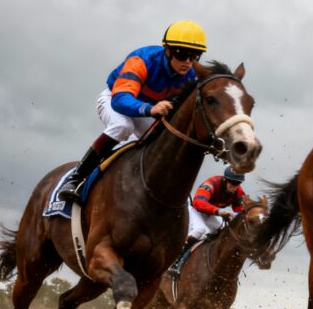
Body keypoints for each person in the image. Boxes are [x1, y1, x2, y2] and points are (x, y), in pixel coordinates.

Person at [58, 20, 208, 202]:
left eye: (195, 56)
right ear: (168, 51)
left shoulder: (192, 75)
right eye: (182, 55)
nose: (188, 62)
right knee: (122, 126)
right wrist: (150, 109)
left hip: (149, 110)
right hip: (115, 99)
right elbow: (120, 100)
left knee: (164, 140)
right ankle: (76, 178)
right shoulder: (142, 60)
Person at [168, 166, 246, 275]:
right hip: (196, 211)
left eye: (237, 183)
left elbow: (241, 212)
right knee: (199, 229)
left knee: (224, 231)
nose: (234, 186)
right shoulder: (212, 183)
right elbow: (198, 203)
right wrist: (218, 211)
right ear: (225, 179)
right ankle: (175, 261)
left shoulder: (238, 192)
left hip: (212, 213)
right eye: (232, 182)